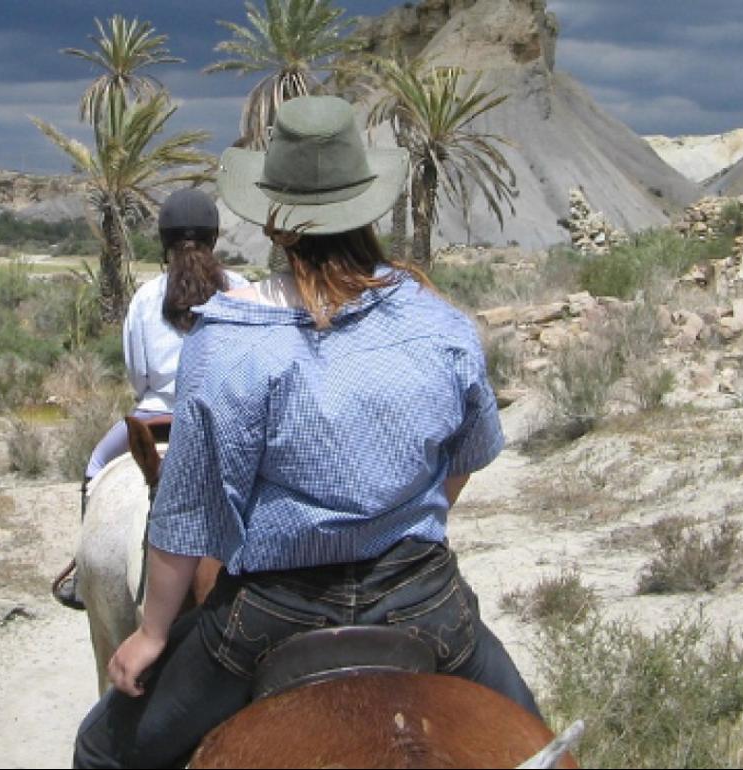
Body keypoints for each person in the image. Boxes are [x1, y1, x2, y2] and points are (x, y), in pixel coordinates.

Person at [72, 95, 540, 768]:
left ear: (277, 224)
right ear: (370, 205)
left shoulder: (227, 340)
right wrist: (395, 521)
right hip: (424, 597)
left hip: (272, 613)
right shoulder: (443, 326)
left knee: (100, 752)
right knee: (542, 747)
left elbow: (187, 511)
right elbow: (462, 460)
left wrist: (150, 633)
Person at [52, 188, 248, 610]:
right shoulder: (244, 289)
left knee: (97, 465)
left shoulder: (146, 298)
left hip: (158, 415)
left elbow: (138, 376)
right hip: (230, 417)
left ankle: (83, 581)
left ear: (164, 242)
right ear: (214, 239)